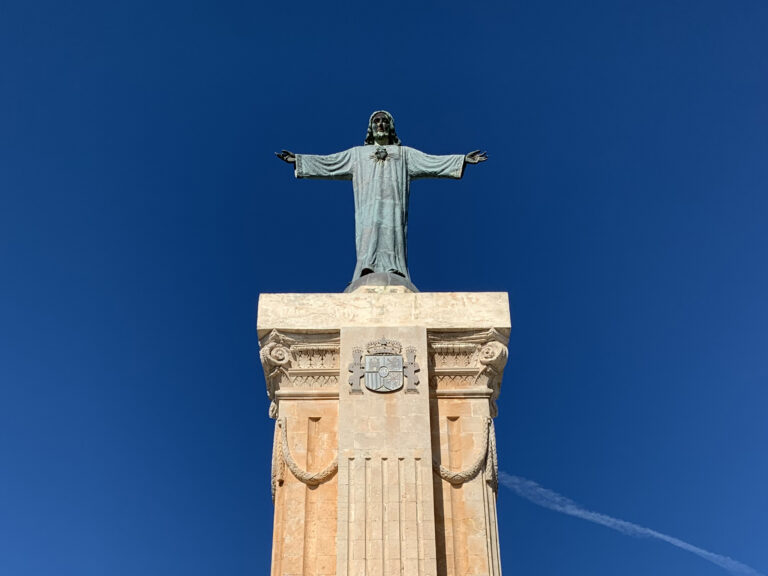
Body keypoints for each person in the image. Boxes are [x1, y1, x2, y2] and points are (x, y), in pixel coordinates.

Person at [276, 111, 487, 289]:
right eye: (376, 121)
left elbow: (431, 162)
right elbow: (330, 163)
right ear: (371, 128)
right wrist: (300, 161)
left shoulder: (404, 154)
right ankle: (366, 267)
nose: (381, 124)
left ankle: (396, 269)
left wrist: (461, 160)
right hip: (367, 206)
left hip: (394, 205)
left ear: (391, 127)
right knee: (368, 233)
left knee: (393, 231)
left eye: (385, 121)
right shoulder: (357, 154)